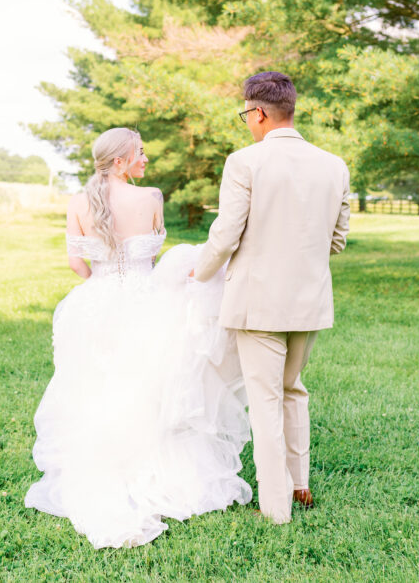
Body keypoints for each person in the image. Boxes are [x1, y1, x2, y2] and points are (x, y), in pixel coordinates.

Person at [24, 127, 252, 549]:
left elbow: (77, 264)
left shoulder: (77, 202)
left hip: (92, 304)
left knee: (96, 387)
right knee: (149, 387)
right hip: (146, 300)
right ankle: (152, 469)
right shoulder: (150, 198)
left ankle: (103, 462)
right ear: (121, 161)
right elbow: (151, 257)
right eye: (140, 153)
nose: (146, 160)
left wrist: (103, 285)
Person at [194, 71, 351, 524]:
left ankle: (276, 506)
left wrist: (198, 271)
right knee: (292, 390)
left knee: (264, 399)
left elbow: (225, 236)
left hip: (258, 300)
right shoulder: (334, 165)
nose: (246, 122)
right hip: (309, 299)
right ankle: (299, 485)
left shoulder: (244, 162)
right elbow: (337, 240)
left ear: (258, 112)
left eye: (246, 113)